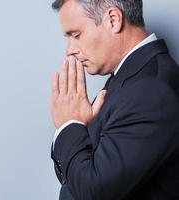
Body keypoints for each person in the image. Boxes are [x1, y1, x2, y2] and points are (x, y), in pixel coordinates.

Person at [50, 0, 179, 199]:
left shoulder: (150, 90)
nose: (70, 50)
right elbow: (77, 176)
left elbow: (93, 192)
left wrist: (69, 126)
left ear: (113, 19)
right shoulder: (129, 78)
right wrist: (79, 128)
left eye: (76, 35)